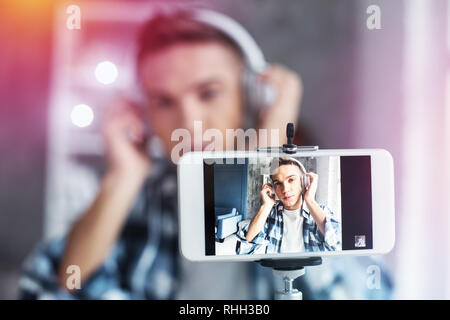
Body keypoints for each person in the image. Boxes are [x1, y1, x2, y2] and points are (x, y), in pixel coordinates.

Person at [19, 9, 302, 300]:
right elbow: (46, 291)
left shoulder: (308, 191)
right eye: (164, 102)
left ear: (253, 98)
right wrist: (123, 177)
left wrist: (271, 152)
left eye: (208, 93)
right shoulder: (139, 201)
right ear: (144, 114)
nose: (189, 123)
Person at [236, 157, 341, 255]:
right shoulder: (270, 214)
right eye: (278, 183)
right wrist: (266, 206)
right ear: (273, 187)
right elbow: (244, 249)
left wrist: (310, 201)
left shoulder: (321, 212)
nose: (285, 189)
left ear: (303, 182)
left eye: (291, 180)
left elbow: (338, 246)